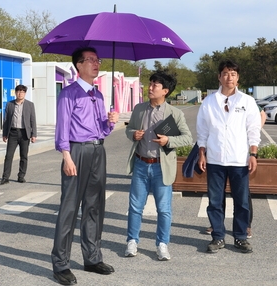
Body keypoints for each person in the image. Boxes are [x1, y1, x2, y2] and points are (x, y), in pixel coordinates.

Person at [51, 47, 119, 286]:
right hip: (76, 151)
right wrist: (66, 157)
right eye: (90, 60)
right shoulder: (68, 94)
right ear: (78, 66)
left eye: (97, 60)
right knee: (70, 208)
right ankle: (61, 264)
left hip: (97, 150)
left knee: (94, 206)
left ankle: (92, 257)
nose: (96, 63)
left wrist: (110, 123)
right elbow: (62, 128)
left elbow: (103, 130)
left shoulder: (98, 95)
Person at [124, 71, 193, 261]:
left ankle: (162, 244)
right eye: (151, 83)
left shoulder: (175, 113)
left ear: (165, 91)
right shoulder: (139, 109)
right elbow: (129, 129)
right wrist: (133, 134)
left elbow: (187, 138)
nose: (151, 87)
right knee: (135, 207)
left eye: (155, 85)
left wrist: (168, 140)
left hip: (160, 167)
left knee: (164, 209)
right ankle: (132, 241)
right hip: (140, 163)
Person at [197, 60, 261, 254]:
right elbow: (202, 130)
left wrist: (253, 154)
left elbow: (253, 129)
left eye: (233, 74)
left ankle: (240, 237)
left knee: (241, 202)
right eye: (225, 73)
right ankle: (218, 237)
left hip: (239, 159)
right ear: (219, 77)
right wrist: (202, 153)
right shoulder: (209, 101)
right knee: (215, 202)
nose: (229, 77)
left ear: (238, 78)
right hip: (215, 159)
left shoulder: (247, 101)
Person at [205, 105, 266, 238]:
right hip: (218, 156)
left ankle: (246, 226)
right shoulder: (214, 101)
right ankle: (217, 226)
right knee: (217, 196)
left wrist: (250, 134)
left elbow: (262, 114)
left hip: (239, 156)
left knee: (242, 197)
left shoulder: (246, 101)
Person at [0, 84, 37, 185]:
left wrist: (34, 134)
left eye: (22, 92)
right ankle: (5, 177)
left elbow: (33, 120)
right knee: (9, 156)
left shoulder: (30, 105)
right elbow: (6, 120)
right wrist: (4, 134)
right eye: (18, 91)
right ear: (15, 93)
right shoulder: (10, 104)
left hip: (25, 133)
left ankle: (21, 176)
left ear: (25, 93)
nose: (20, 93)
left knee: (24, 156)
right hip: (13, 133)